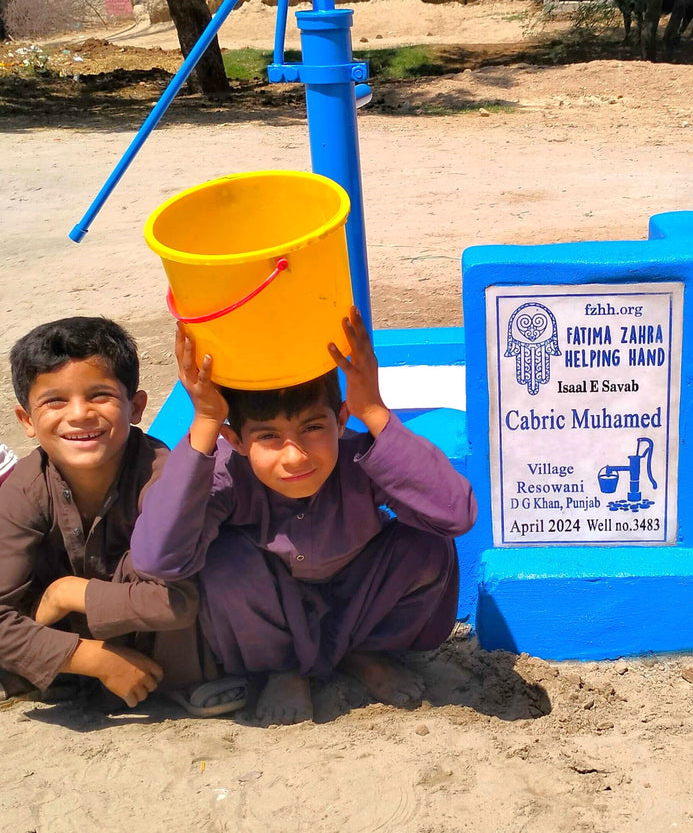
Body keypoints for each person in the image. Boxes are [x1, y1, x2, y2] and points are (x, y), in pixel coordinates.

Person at [130, 307, 477, 726]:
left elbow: (456, 515)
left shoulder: (358, 454)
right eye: (269, 436)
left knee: (428, 542)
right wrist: (205, 420)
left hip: (359, 601)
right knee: (224, 561)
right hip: (273, 614)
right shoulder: (223, 470)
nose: (295, 456)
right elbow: (158, 560)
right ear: (236, 439)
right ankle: (283, 668)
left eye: (313, 428)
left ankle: (361, 655)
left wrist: (376, 413)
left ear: (340, 419)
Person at [0, 317, 245, 716]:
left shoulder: (161, 474)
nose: (79, 414)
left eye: (99, 395)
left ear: (136, 406)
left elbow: (178, 602)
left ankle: (179, 682)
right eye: (55, 401)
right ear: (27, 419)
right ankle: (65, 675)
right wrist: (92, 657)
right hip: (70, 643)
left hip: (160, 641)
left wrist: (68, 592)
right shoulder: (23, 491)